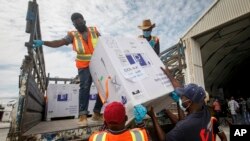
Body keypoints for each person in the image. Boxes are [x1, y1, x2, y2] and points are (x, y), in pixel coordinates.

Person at [32, 13, 103, 125]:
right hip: (84, 66)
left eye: (79, 21)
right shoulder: (72, 35)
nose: (78, 24)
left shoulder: (94, 31)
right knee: (84, 88)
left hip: (98, 64)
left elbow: (103, 43)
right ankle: (83, 116)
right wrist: (43, 42)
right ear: (74, 25)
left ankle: (97, 113)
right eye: (75, 23)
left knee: (102, 88)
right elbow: (59, 42)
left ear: (84, 21)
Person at [147, 67, 213, 141]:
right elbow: (181, 122)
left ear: (189, 102)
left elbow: (164, 139)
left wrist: (153, 116)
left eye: (182, 97)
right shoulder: (204, 111)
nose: (180, 98)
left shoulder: (186, 125)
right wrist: (169, 75)